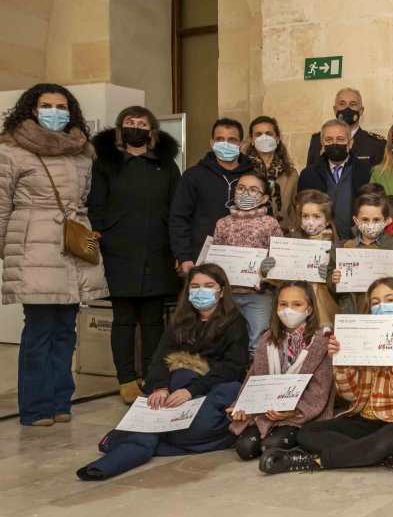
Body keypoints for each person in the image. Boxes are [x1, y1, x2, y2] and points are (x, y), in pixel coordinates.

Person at [76, 265, 248, 479]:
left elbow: (232, 368)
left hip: (210, 388)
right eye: (195, 286)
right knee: (157, 408)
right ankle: (112, 463)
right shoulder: (178, 321)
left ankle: (137, 441)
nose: (201, 291)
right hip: (175, 386)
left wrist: (191, 391)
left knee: (190, 428)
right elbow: (159, 360)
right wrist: (159, 388)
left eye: (208, 286)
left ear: (221, 291)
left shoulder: (236, 323)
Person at [0, 83, 107, 426]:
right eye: (48, 105)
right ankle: (36, 407)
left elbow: (85, 197)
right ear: (32, 109)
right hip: (34, 246)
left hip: (73, 244)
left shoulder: (81, 152)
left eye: (62, 106)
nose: (56, 112)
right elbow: (2, 204)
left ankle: (61, 401)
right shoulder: (11, 150)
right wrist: (6, 249)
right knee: (40, 329)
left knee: (65, 329)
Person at [261, 278, 393, 474]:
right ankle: (388, 458)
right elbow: (349, 395)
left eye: (389, 300)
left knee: (385, 440)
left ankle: (310, 461)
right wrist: (341, 362)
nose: (382, 307)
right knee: (307, 432)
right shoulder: (363, 339)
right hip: (364, 419)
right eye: (375, 303)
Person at [89, 106, 180, 404]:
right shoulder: (105, 164)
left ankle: (151, 376)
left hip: (158, 251)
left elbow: (176, 209)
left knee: (154, 321)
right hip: (119, 251)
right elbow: (96, 206)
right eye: (130, 122)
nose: (136, 127)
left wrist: (176, 247)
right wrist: (104, 236)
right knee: (123, 319)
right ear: (120, 127)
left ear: (152, 130)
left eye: (142, 123)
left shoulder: (166, 165)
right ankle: (126, 378)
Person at [229, 281, 334, 461]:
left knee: (271, 446)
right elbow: (254, 377)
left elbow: (321, 388)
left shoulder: (322, 341)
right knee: (244, 448)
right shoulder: (267, 339)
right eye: (283, 304)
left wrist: (294, 410)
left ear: (310, 308)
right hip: (267, 411)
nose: (288, 310)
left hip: (302, 414)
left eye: (297, 304)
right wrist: (243, 405)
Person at [169, 117, 253, 273]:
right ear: (212, 143)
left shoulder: (254, 177)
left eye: (232, 140)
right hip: (201, 259)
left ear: (241, 145)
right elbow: (179, 218)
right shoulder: (193, 176)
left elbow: (266, 216)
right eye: (220, 139)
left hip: (245, 260)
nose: (225, 144)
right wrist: (183, 256)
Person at [212, 173, 285, 351]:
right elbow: (215, 259)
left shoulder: (270, 224)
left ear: (264, 198)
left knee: (258, 343)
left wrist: (269, 269)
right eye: (242, 188)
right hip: (229, 295)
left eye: (253, 190)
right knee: (228, 341)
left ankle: (255, 377)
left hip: (259, 295)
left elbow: (281, 259)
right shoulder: (223, 224)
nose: (246, 193)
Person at [260, 189, 339, 328]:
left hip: (324, 316)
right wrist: (267, 270)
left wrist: (331, 276)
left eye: (316, 216)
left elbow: (344, 288)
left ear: (327, 220)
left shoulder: (337, 248)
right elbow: (280, 281)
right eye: (305, 216)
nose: (310, 221)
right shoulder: (289, 243)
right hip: (294, 314)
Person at [327, 194, 393, 311]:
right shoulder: (342, 248)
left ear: (386, 221)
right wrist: (333, 280)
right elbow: (330, 276)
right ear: (356, 220)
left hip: (385, 311)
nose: (370, 224)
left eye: (376, 220)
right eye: (365, 219)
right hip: (353, 309)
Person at [297, 119, 374, 241]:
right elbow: (301, 212)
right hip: (320, 242)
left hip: (356, 243)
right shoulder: (308, 174)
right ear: (322, 144)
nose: (335, 143)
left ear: (350, 143)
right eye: (329, 140)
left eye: (340, 139)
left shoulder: (367, 171)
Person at [304, 87, 386, 166]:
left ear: (361, 110)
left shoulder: (376, 144)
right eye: (342, 104)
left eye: (352, 104)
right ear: (335, 110)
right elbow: (310, 175)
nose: (347, 108)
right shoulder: (317, 140)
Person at [245, 116, 299, 231]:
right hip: (250, 234)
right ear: (252, 140)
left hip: (282, 235)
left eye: (269, 134)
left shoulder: (291, 174)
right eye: (258, 134)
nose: (264, 138)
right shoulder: (244, 170)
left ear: (277, 139)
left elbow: (295, 211)